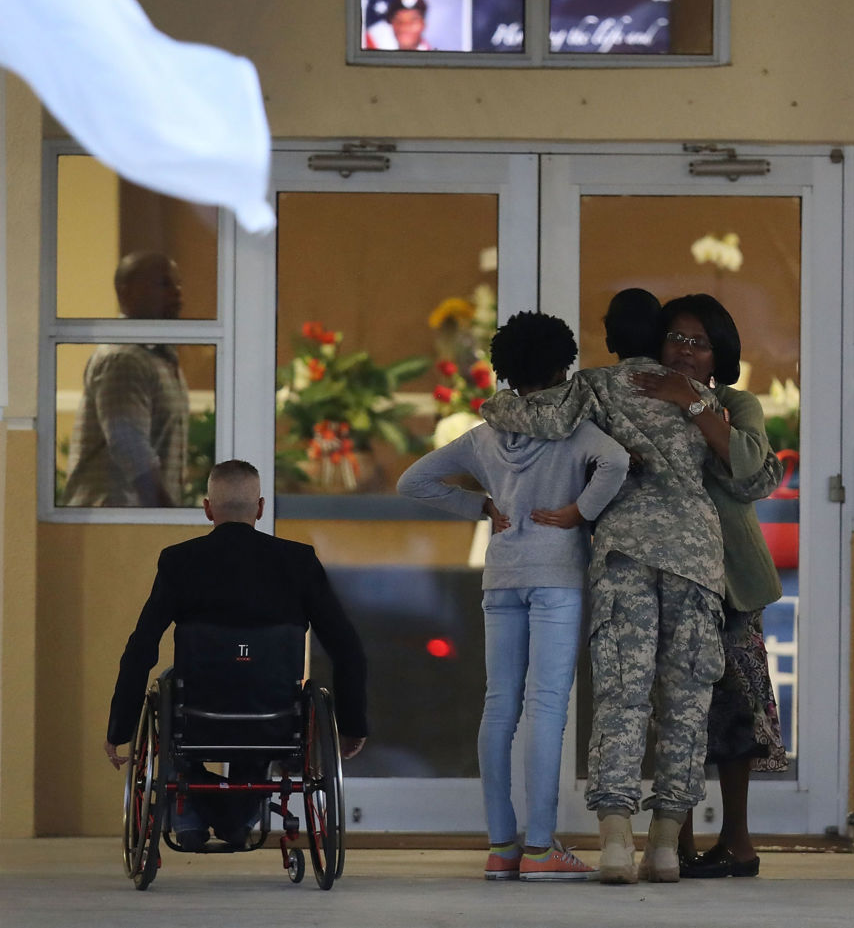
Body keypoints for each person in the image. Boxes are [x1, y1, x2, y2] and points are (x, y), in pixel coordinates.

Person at [479, 289, 727, 885]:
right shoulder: (699, 395)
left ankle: (617, 843)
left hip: (623, 554)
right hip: (698, 559)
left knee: (623, 695)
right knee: (686, 703)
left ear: (610, 338)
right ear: (663, 334)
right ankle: (666, 846)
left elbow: (545, 417)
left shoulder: (591, 386)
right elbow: (753, 475)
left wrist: (490, 407)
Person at [396, 311, 629, 882]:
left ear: (503, 369)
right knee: (547, 706)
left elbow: (413, 482)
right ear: (561, 364)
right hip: (557, 577)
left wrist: (480, 507)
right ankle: (543, 847)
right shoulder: (575, 430)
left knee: (499, 706)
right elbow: (617, 461)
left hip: (501, 577)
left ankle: (502, 846)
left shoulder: (484, 434)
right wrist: (579, 512)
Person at [104, 459, 368, 848]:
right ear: (260, 508)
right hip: (274, 715)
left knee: (168, 685)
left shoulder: (179, 561)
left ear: (208, 508)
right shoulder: (298, 562)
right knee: (259, 690)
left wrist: (120, 729)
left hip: (197, 713)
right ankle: (236, 817)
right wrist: (352, 723)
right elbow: (347, 647)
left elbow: (141, 647)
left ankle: (193, 809)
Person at [631, 294, 787, 879]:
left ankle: (739, 843)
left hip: (731, 585)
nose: (685, 350)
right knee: (674, 713)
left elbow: (751, 472)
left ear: (720, 353)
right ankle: (678, 842)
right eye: (676, 338)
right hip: (663, 577)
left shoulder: (735, 403)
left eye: (699, 342)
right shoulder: (637, 399)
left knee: (735, 717)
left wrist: (694, 404)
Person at [62, 252, 189, 507]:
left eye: (178, 285)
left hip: (136, 523)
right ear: (126, 293)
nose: (177, 293)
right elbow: (130, 448)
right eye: (164, 284)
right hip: (113, 523)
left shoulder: (158, 357)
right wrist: (168, 515)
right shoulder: (124, 359)